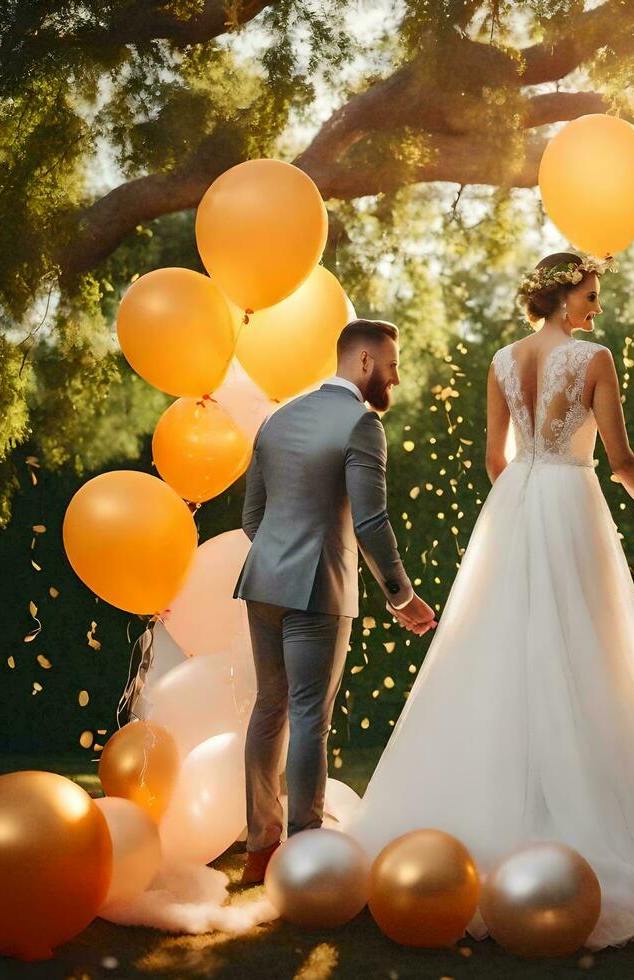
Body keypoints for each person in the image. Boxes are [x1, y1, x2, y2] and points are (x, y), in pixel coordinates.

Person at [349, 253, 634, 947]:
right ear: (562, 299)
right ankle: (579, 815)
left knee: (502, 653)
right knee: (588, 654)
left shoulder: (501, 359)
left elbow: (494, 458)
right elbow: (618, 458)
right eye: (590, 294)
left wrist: (520, 496)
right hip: (569, 503)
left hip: (516, 506)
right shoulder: (594, 358)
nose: (596, 306)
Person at [234, 318, 437, 884]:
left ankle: (259, 851)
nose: (395, 379)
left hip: (261, 585)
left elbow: (252, 518)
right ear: (365, 362)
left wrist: (280, 556)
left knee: (267, 710)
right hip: (318, 589)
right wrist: (401, 595)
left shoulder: (277, 418)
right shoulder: (362, 425)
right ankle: (304, 856)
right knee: (308, 720)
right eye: (392, 367)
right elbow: (371, 521)